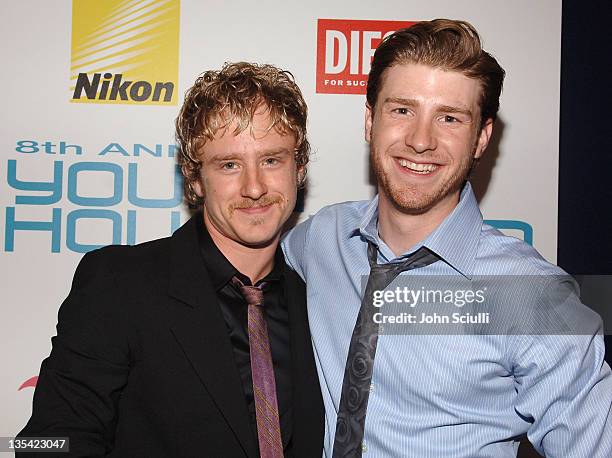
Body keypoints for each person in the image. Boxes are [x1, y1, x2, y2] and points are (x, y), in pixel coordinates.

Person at [282, 19, 612, 457]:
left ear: (482, 137)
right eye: (402, 110)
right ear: (370, 121)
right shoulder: (322, 238)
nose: (421, 140)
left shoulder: (532, 294)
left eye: (450, 118)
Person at [18, 62, 324, 457]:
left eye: (271, 160)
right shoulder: (119, 285)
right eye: (229, 164)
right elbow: (50, 442)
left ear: (298, 168)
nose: (254, 187)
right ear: (195, 178)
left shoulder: (320, 295)